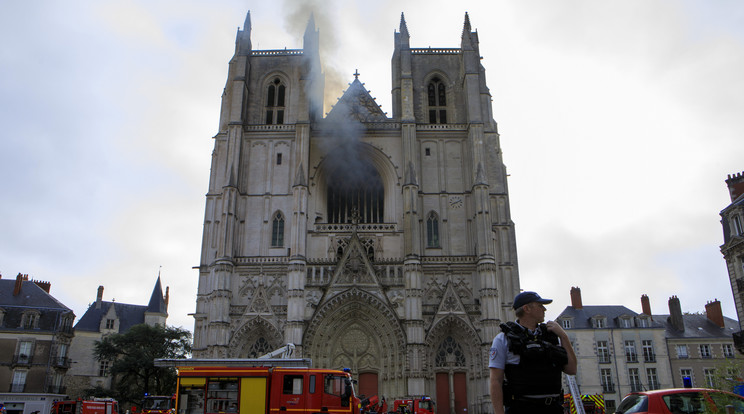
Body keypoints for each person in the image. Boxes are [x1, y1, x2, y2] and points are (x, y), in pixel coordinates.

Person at [489, 291, 577, 414]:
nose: (544, 309)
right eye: (540, 305)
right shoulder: (503, 339)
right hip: (521, 408)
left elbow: (572, 370)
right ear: (526, 309)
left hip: (552, 408)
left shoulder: (551, 336)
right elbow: (495, 381)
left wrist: (563, 336)